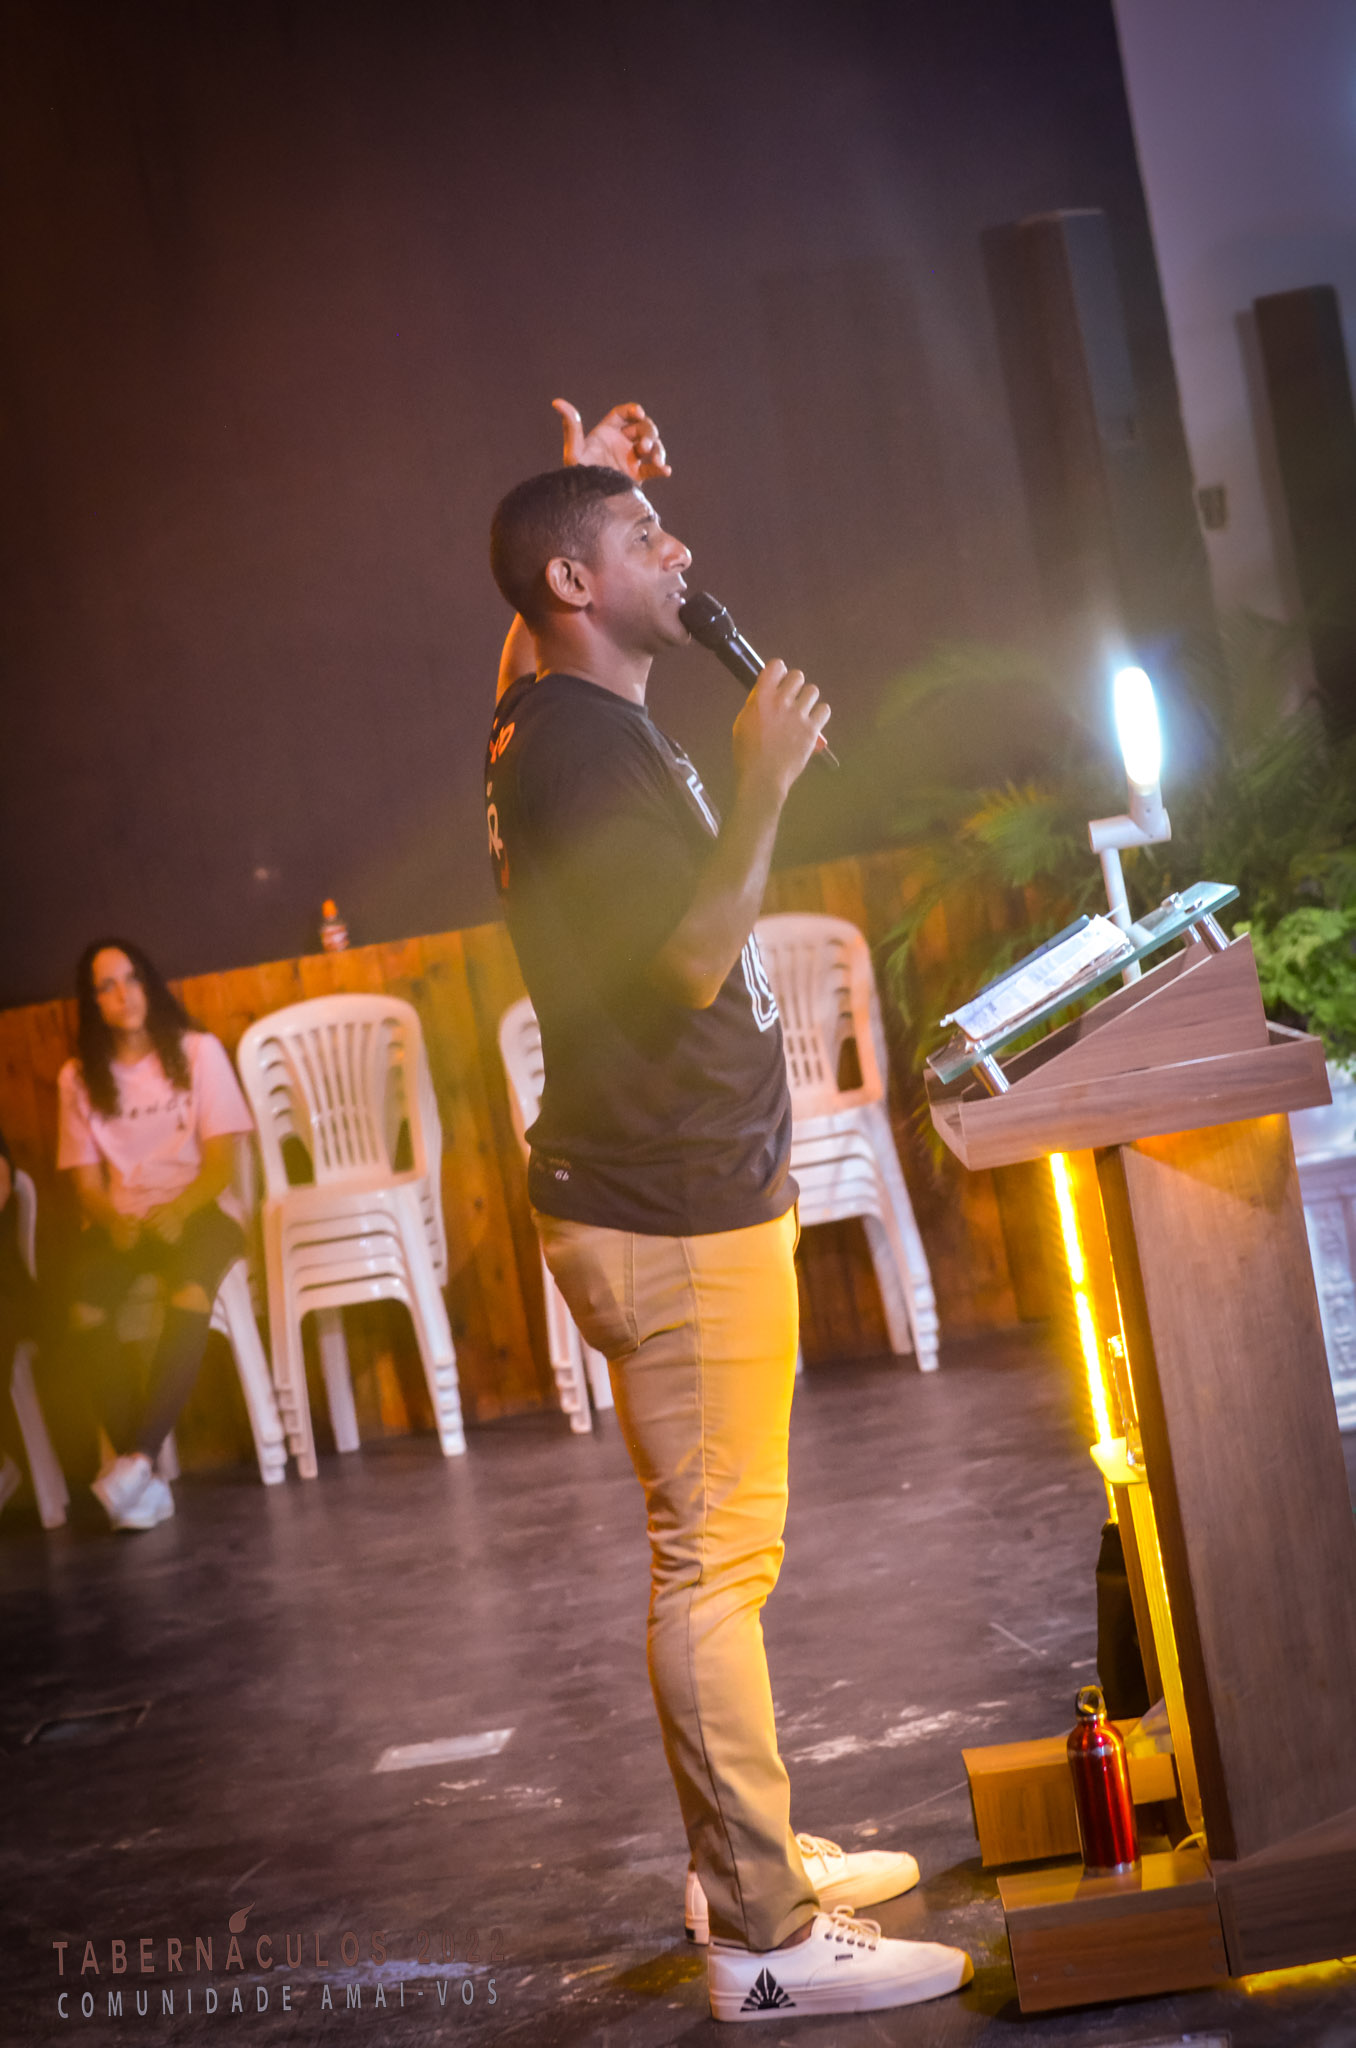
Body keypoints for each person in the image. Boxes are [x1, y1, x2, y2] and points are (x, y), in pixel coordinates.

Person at [484, 401, 972, 2021]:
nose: (678, 549)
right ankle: (763, 1938)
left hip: (680, 1189)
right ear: (572, 584)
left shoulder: (549, 710)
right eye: (644, 537)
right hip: (671, 1203)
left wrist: (600, 476)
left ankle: (739, 1853)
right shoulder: (579, 749)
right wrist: (760, 783)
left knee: (720, 1555)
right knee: (714, 1563)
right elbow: (691, 962)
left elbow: (530, 624)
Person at [56, 939, 254, 1531]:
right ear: (93, 1003)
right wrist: (112, 1220)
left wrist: (183, 1205)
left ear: (149, 984)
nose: (124, 995)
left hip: (200, 1211)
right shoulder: (78, 1078)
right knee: (83, 1311)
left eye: (132, 978)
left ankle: (137, 1462)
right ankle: (142, 1480)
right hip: (125, 1223)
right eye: (107, 986)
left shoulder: (197, 1052)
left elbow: (222, 1162)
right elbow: (86, 1185)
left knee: (188, 1293)